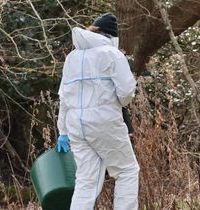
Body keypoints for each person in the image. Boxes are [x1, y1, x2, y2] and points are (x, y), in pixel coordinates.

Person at [56, 13, 139, 210]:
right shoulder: (112, 54)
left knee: (86, 181)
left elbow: (64, 98)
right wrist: (116, 103)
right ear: (112, 36)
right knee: (127, 170)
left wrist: (63, 132)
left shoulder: (72, 57)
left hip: (76, 125)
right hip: (105, 121)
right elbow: (127, 92)